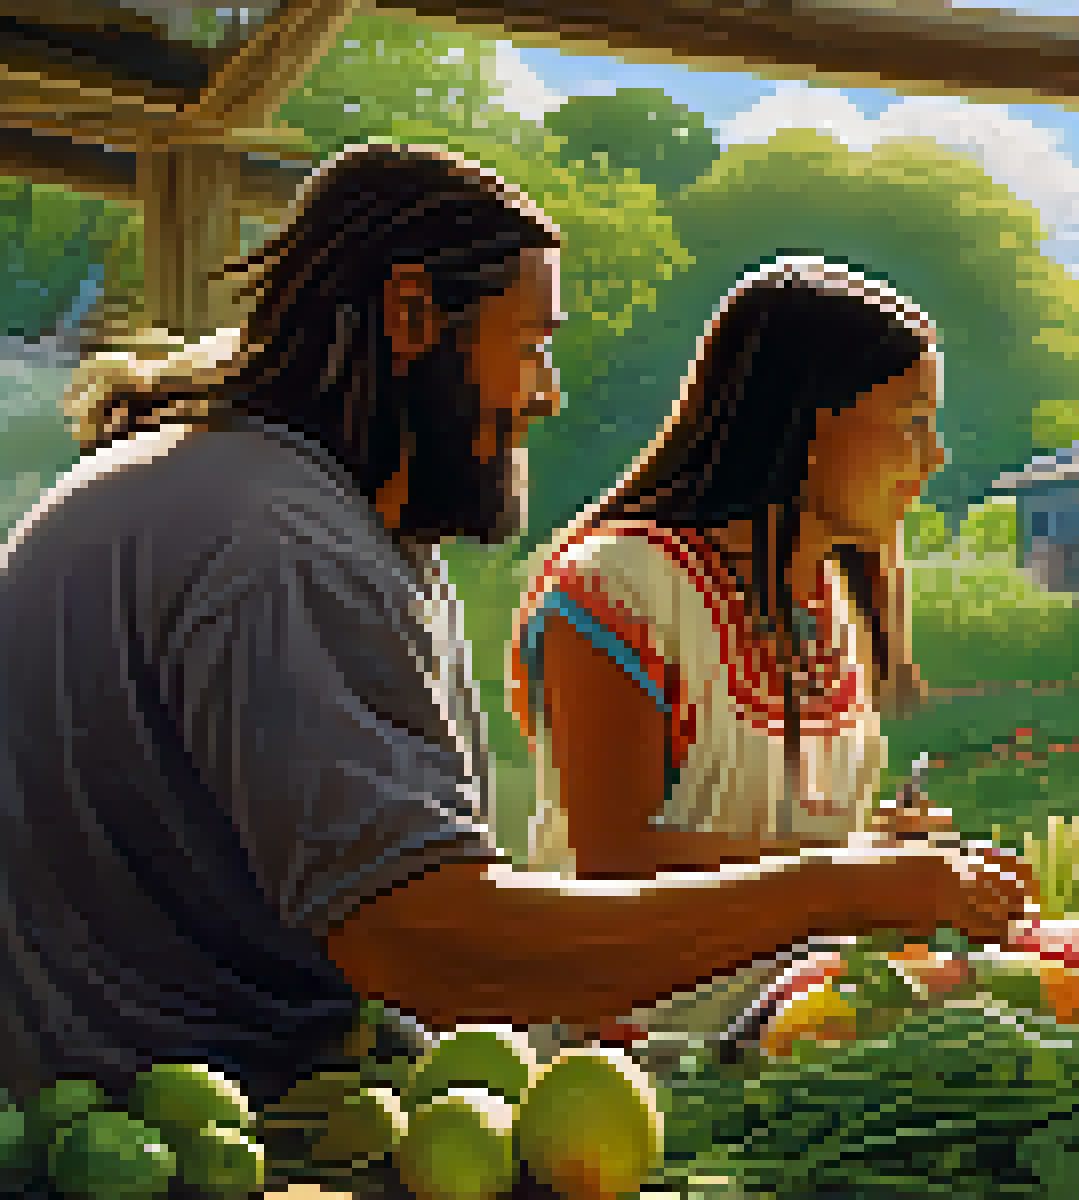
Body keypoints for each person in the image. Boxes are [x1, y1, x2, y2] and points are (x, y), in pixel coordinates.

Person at [0, 143, 1027, 1109]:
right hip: (164, 1133)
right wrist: (832, 885)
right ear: (411, 316)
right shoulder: (282, 544)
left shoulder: (284, 506)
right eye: (531, 345)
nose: (549, 392)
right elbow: (431, 945)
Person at [504, 258, 947, 1040]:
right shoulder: (618, 586)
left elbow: (792, 847)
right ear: (808, 421)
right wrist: (854, 875)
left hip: (791, 1052)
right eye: (911, 422)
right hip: (623, 1074)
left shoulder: (834, 597)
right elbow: (616, 861)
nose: (934, 457)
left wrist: (885, 855)